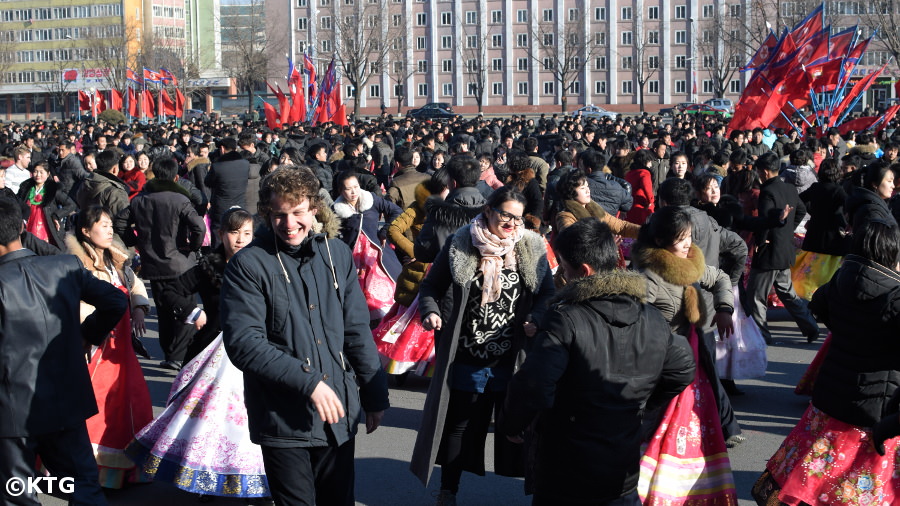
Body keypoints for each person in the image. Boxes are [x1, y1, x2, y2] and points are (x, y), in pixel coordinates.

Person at [221, 167, 389, 506]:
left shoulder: (336, 253)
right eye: (280, 214)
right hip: (283, 419)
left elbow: (356, 329)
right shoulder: (248, 264)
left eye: (298, 212)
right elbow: (244, 344)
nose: (289, 223)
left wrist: (374, 394)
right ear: (268, 214)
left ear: (314, 208)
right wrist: (309, 382)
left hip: (337, 413)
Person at [502, 218, 695, 505]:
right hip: (622, 467)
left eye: (565, 270)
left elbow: (534, 383)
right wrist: (641, 402)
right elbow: (682, 368)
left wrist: (513, 423)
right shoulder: (652, 318)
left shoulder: (565, 318)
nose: (564, 278)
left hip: (566, 468)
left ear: (584, 271)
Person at [410, 187, 555, 505]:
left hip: (511, 359)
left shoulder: (531, 247)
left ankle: (539, 493)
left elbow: (548, 293)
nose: (512, 223)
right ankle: (448, 490)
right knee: (459, 425)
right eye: (506, 214)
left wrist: (537, 316)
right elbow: (431, 286)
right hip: (467, 357)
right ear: (489, 210)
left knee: (519, 427)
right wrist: (431, 311)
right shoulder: (461, 243)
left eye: (517, 218)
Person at [127, 208, 273, 500]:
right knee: (209, 421)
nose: (241, 239)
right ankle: (206, 476)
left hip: (256, 352)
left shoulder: (265, 263)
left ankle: (255, 478)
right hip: (211, 354)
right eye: (234, 233)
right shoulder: (209, 266)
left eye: (246, 233)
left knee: (251, 419)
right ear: (220, 235)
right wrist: (194, 311)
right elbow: (170, 292)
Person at [753, 220, 900, 505]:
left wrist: (848, 332)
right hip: (874, 409)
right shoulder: (894, 296)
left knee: (816, 479)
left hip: (831, 397)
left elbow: (818, 304)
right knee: (860, 488)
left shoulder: (842, 280)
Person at [0, 196, 128, 506]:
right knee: (80, 485)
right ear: (21, 227)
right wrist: (87, 335)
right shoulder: (64, 265)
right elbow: (115, 301)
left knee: (18, 494)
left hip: (13, 411)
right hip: (66, 398)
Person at [631, 206, 739, 505]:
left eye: (690, 236)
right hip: (661, 367)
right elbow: (634, 322)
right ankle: (653, 491)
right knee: (657, 430)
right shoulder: (648, 276)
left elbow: (720, 279)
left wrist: (724, 308)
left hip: (694, 361)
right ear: (662, 240)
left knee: (697, 428)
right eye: (681, 238)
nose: (688, 243)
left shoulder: (690, 264)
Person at [65, 205, 154, 488]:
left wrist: (139, 306)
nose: (109, 229)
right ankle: (92, 471)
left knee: (134, 403)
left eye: (110, 225)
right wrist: (93, 329)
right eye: (102, 225)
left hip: (123, 347)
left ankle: (126, 468)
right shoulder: (78, 263)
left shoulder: (118, 260)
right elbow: (77, 304)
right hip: (99, 348)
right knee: (101, 407)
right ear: (85, 231)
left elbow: (134, 284)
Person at [114, 157, 206, 369]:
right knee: (187, 308)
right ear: (175, 177)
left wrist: (135, 241)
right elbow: (199, 227)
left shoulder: (140, 200)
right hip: (180, 264)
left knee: (164, 309)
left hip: (153, 263)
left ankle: (170, 354)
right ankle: (178, 355)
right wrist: (192, 247)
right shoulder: (180, 200)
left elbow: (120, 221)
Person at [741, 152, 820, 344]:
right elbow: (801, 209)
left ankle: (762, 336)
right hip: (785, 249)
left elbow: (767, 220)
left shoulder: (768, 192)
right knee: (787, 293)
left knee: (756, 296)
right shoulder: (790, 188)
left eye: (759, 172)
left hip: (769, 252)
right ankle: (811, 327)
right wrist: (788, 230)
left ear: (765, 172)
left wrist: (762, 241)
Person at [332, 171, 403, 319]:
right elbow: (331, 234)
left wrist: (385, 231)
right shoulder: (336, 210)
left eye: (356, 187)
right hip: (353, 259)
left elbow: (397, 211)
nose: (353, 192)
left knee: (384, 293)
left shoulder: (371, 200)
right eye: (348, 189)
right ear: (340, 191)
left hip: (376, 256)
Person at [791, 158, 850, 300]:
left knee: (812, 268)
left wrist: (813, 212)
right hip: (833, 235)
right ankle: (827, 296)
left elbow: (799, 199)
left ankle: (809, 294)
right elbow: (849, 206)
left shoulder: (815, 187)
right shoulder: (839, 190)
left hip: (815, 232)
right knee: (830, 270)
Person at [16, 161, 76, 248]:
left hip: (47, 223)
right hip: (28, 222)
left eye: (41, 172)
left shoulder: (53, 189)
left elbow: (71, 204)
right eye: (35, 171)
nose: (38, 175)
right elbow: (18, 203)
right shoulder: (26, 188)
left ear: (48, 174)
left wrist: (57, 215)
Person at [846, 163, 897, 232]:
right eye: (889, 181)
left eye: (893, 181)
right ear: (875, 184)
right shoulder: (872, 213)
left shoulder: (877, 205)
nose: (893, 186)